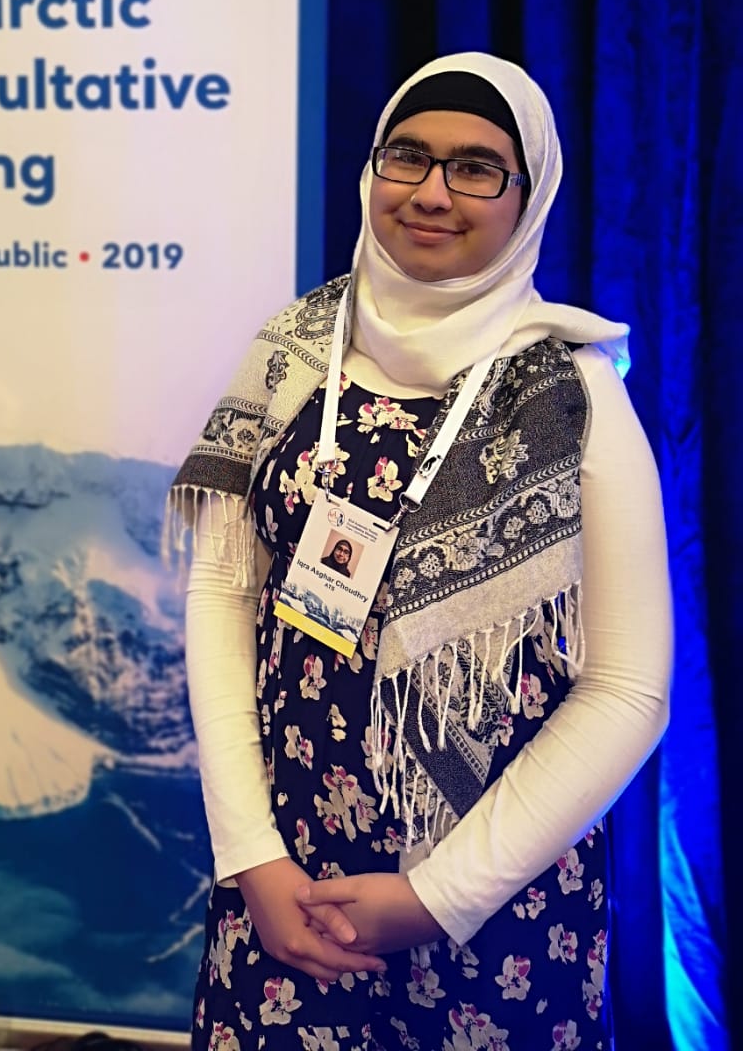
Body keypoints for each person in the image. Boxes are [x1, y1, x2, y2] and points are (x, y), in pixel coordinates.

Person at [171, 52, 671, 1051]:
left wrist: (435, 898)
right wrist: (253, 860)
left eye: (478, 167)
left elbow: (626, 688)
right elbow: (223, 593)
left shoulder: (573, 394)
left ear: (528, 198)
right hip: (288, 887)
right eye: (409, 156)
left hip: (491, 909)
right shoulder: (290, 354)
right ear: (371, 172)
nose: (434, 191)